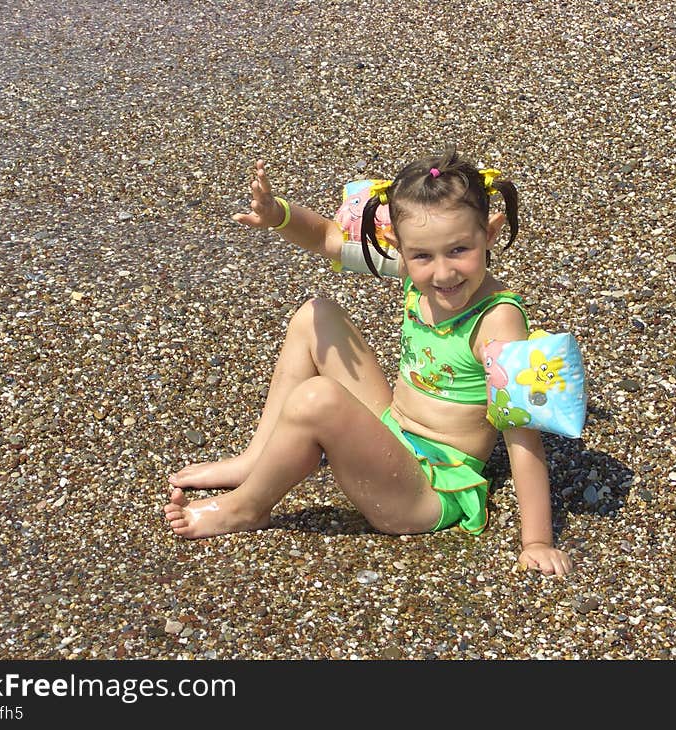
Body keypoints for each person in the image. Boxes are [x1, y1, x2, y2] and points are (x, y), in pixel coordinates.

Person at [164, 147, 573, 576]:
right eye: (422, 256)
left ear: (489, 233)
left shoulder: (498, 321)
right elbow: (327, 238)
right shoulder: (421, 269)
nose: (443, 273)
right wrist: (277, 214)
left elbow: (522, 436)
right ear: (399, 245)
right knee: (315, 315)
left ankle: (246, 508)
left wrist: (538, 541)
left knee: (318, 399)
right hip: (394, 432)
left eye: (459, 250)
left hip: (429, 489)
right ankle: (257, 458)